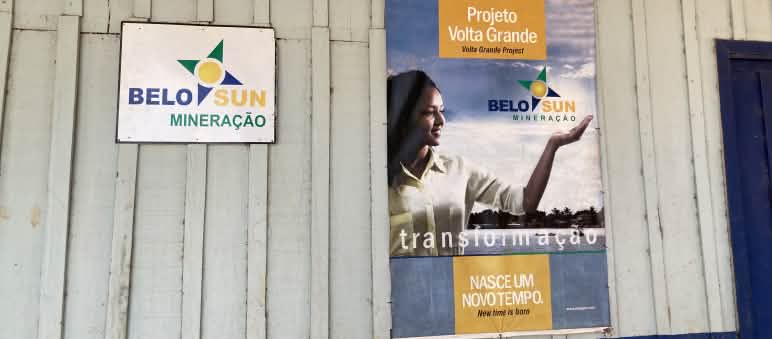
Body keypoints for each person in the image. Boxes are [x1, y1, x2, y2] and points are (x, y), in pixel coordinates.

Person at [387, 70, 592, 256]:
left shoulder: (460, 169)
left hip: (453, 290)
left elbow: (525, 202)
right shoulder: (379, 178)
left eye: (441, 110)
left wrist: (552, 145)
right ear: (404, 117)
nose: (442, 120)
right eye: (430, 112)